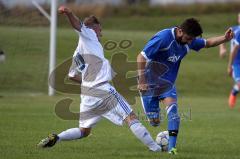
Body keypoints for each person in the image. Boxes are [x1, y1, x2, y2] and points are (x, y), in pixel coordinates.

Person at [37, 6, 162, 152]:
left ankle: (57, 137)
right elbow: (77, 25)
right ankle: (156, 149)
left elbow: (71, 76)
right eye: (99, 30)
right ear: (92, 28)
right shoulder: (88, 34)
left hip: (88, 95)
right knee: (131, 117)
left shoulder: (77, 53)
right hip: (103, 90)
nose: (100, 34)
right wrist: (69, 13)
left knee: (84, 131)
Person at [137, 18, 233, 154]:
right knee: (155, 121)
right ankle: (160, 129)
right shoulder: (163, 38)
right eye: (188, 38)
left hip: (167, 83)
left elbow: (208, 43)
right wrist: (142, 81)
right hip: (149, 83)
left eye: (192, 39)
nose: (190, 42)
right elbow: (141, 57)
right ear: (180, 31)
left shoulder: (190, 40)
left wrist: (225, 38)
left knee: (173, 111)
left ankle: (172, 149)